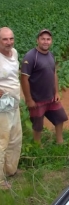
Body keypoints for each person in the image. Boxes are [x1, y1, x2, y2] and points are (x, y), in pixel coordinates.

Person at [21, 29, 68, 144]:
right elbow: (24, 78)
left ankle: (60, 141)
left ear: (51, 41)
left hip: (51, 97)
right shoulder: (31, 56)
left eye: (48, 39)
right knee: (38, 125)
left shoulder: (50, 55)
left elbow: (54, 73)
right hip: (37, 99)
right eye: (43, 39)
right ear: (37, 40)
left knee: (60, 117)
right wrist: (29, 99)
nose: (45, 42)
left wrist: (56, 92)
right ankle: (38, 147)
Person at [0, 27, 22, 190]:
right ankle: (0, 181)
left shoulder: (14, 53)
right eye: (4, 39)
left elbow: (15, 74)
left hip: (14, 102)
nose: (9, 42)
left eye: (11, 38)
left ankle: (10, 170)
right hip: (2, 105)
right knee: (2, 141)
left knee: (15, 138)